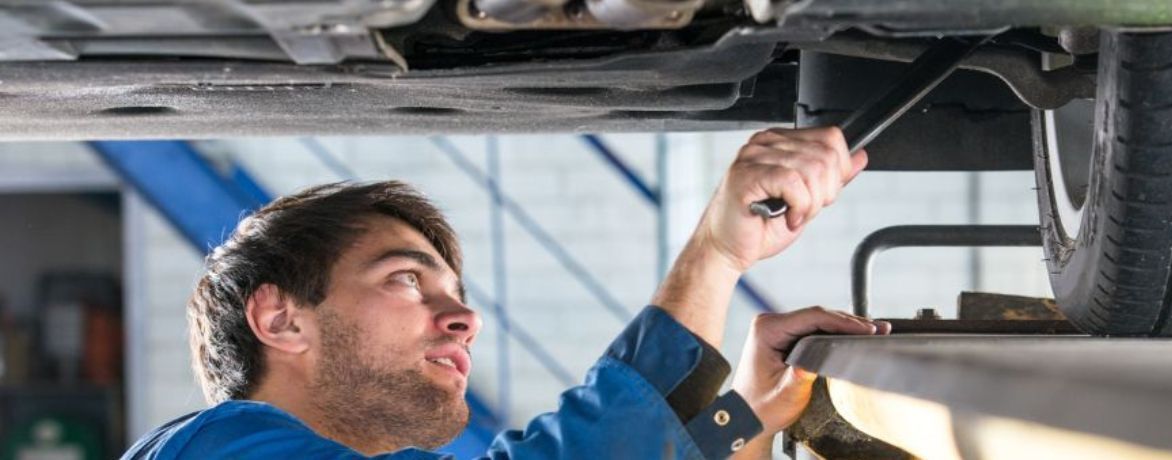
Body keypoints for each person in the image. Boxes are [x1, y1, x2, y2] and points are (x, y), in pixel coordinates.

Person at [121, 127, 890, 460]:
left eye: (453, 292)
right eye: (404, 280)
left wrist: (743, 415)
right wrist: (717, 253)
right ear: (280, 318)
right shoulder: (217, 450)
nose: (462, 319)